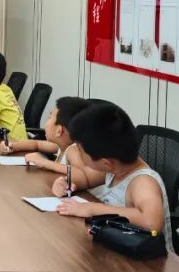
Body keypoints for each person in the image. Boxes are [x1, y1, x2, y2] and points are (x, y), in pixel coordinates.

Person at [50, 101, 172, 251]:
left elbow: (151, 222)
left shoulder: (143, 182)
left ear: (106, 163)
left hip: (146, 261)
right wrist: (65, 183)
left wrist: (93, 209)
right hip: (115, 246)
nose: (77, 152)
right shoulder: (115, 169)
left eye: (80, 151)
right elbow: (86, 178)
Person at [0, 96, 91, 174]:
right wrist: (14, 146)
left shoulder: (73, 151)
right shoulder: (61, 146)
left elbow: (81, 174)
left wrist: (45, 162)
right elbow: (37, 144)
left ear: (59, 131)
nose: (46, 122)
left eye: (50, 118)